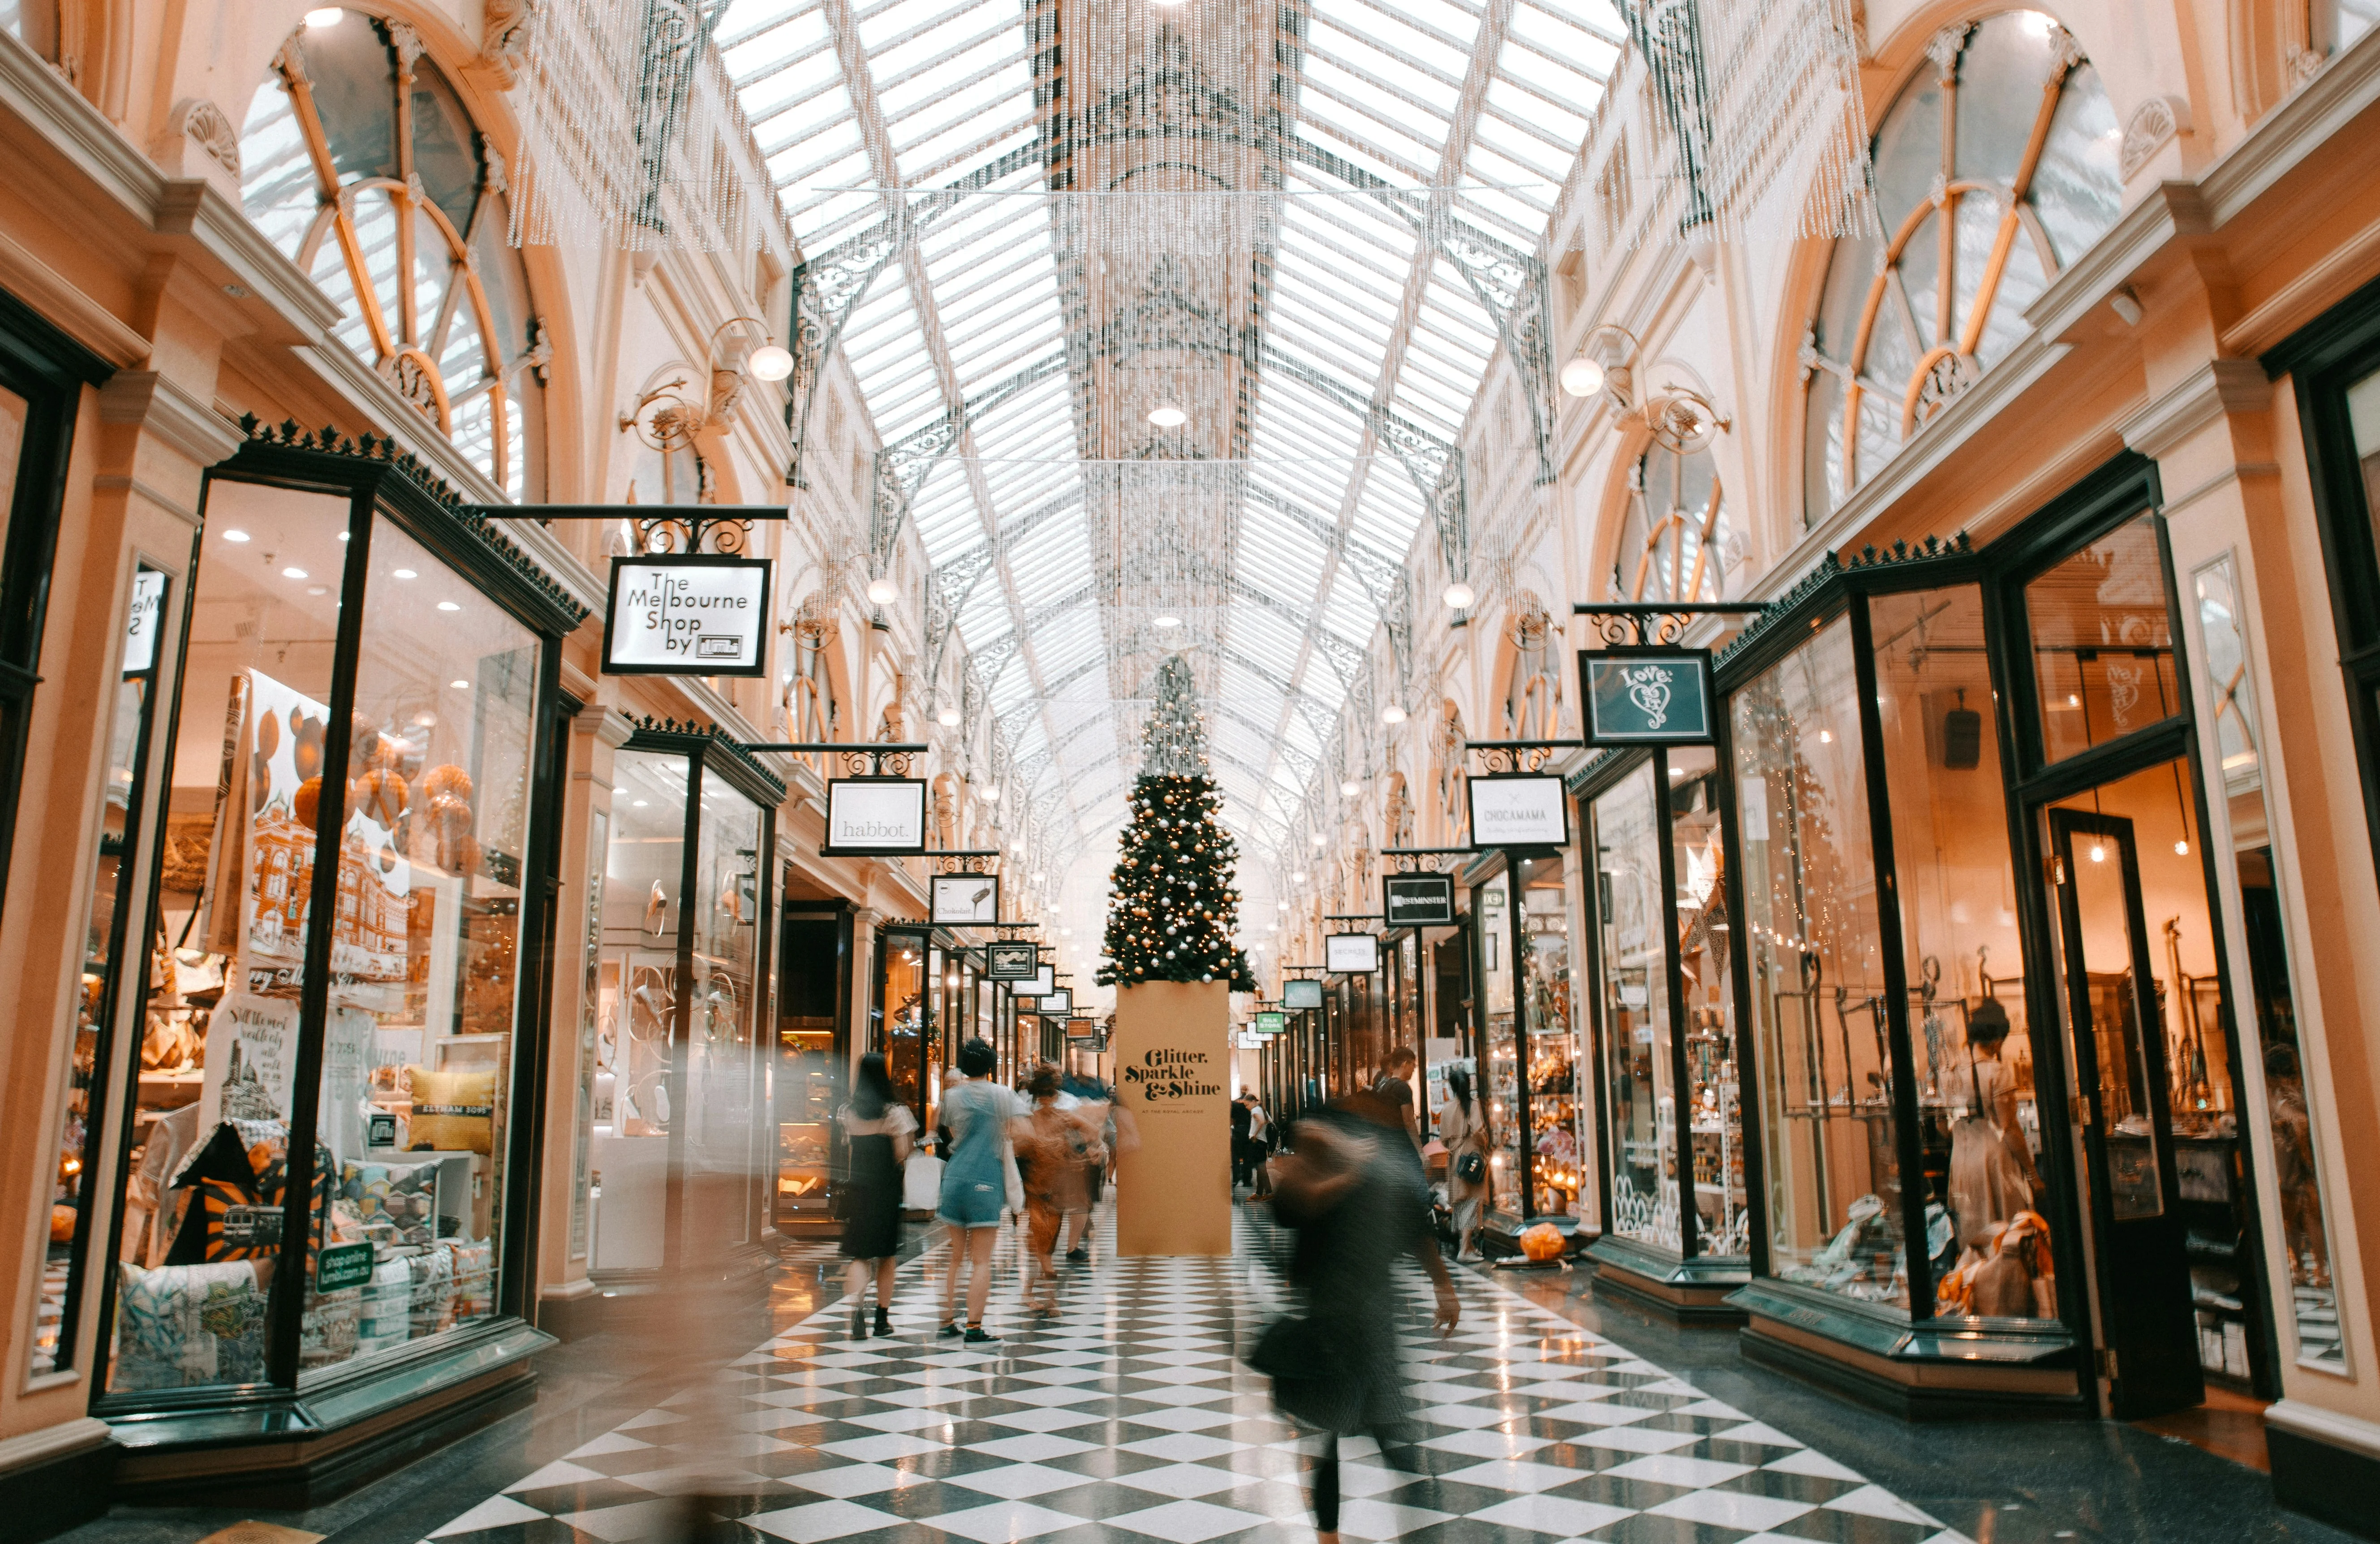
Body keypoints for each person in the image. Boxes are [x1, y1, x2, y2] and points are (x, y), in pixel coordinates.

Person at [1260, 1106, 1460, 1544]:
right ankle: (1329, 1536)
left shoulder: (1364, 1178)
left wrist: (1444, 1285)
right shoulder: (1317, 1179)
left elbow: (1414, 1227)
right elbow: (1294, 1207)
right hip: (1336, 1327)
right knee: (1341, 1439)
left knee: (1381, 1438)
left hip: (1364, 1326)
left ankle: (1356, 1535)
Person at [937, 1038, 1027, 1342]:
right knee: (982, 1260)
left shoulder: (951, 1097)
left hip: (954, 1177)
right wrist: (1004, 1136)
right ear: (991, 1066)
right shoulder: (1003, 1095)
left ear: (962, 1066)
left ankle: (946, 1322)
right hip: (985, 1179)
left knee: (954, 1258)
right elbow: (1026, 1133)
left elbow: (950, 1131)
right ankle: (974, 1327)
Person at [1943, 999, 2042, 1252]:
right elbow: (2008, 1129)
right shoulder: (1997, 1073)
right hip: (1994, 1163)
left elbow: (1943, 1128)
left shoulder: (1952, 1073)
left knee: (1971, 1233)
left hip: (1962, 1163)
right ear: (1997, 1039)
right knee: (2004, 1235)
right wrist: (2032, 1174)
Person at [1016, 1062, 1104, 1313]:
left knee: (1045, 1242)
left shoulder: (1046, 1119)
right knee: (1042, 1242)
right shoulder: (1041, 1119)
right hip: (1040, 1189)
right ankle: (1046, 1294)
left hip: (1048, 1189)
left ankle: (1036, 1292)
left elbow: (1091, 1131)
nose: (1046, 1099)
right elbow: (1092, 1130)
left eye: (1048, 1094)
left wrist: (1078, 1150)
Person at [838, 1053, 915, 1340]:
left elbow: (848, 1146)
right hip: (886, 1190)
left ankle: (857, 1314)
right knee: (886, 1255)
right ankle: (882, 1319)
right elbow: (902, 1152)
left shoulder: (848, 1112)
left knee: (861, 1255)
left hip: (859, 1189)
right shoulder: (894, 1113)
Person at [1439, 1063, 1489, 1261]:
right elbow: (1478, 1131)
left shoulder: (1447, 1108)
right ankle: (1465, 1250)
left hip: (1454, 1159)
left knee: (1461, 1202)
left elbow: (1443, 1139)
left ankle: (1466, 1245)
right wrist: (1485, 1144)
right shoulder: (1473, 1104)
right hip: (1471, 1157)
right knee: (1472, 1200)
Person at [1374, 1046, 1421, 1150]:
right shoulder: (1403, 1088)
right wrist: (1420, 1151)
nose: (1414, 1070)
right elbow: (1409, 1122)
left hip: (1384, 1145)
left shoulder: (1383, 1086)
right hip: (1399, 1146)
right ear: (1405, 1064)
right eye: (1413, 1065)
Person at [1245, 1091, 1274, 1199]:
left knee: (1261, 1168)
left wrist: (1254, 1135)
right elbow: (1269, 1121)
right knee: (1260, 1168)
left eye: (1247, 1105)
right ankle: (1259, 1193)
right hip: (1263, 1142)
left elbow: (1261, 1122)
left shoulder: (1255, 1110)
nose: (1247, 1107)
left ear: (1253, 1102)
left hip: (1257, 1143)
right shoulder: (1262, 1110)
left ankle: (1269, 1193)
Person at [1230, 1091, 1256, 1191]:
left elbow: (1232, 1120)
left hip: (1238, 1132)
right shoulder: (1250, 1107)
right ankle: (1247, 1180)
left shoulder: (1236, 1106)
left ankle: (1236, 1177)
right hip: (1249, 1131)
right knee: (1248, 1156)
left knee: (1236, 1155)